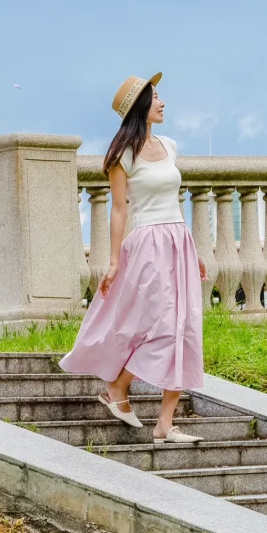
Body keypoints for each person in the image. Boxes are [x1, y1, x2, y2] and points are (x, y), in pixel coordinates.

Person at [59, 72, 207, 442]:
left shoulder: (170, 146)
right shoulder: (122, 156)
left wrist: (193, 249)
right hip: (147, 244)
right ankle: (117, 386)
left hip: (178, 241)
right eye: (155, 97)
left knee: (185, 326)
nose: (163, 103)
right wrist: (113, 262)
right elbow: (119, 210)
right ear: (141, 106)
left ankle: (165, 423)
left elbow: (174, 202)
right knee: (159, 325)